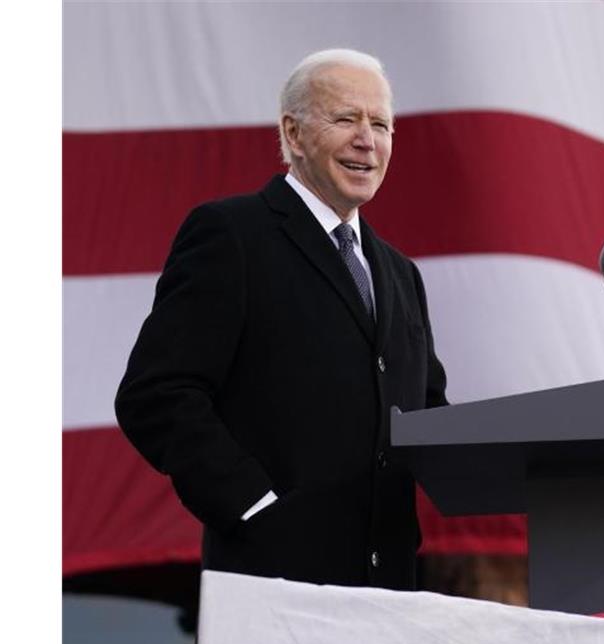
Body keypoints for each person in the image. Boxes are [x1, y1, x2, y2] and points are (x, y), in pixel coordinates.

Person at [115, 48, 448, 594]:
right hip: (268, 588)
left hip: (388, 596)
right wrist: (255, 508)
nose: (368, 139)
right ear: (293, 134)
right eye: (346, 119)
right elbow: (157, 394)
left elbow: (428, 417)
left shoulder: (399, 274)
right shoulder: (232, 235)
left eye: (381, 124)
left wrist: (530, 460)